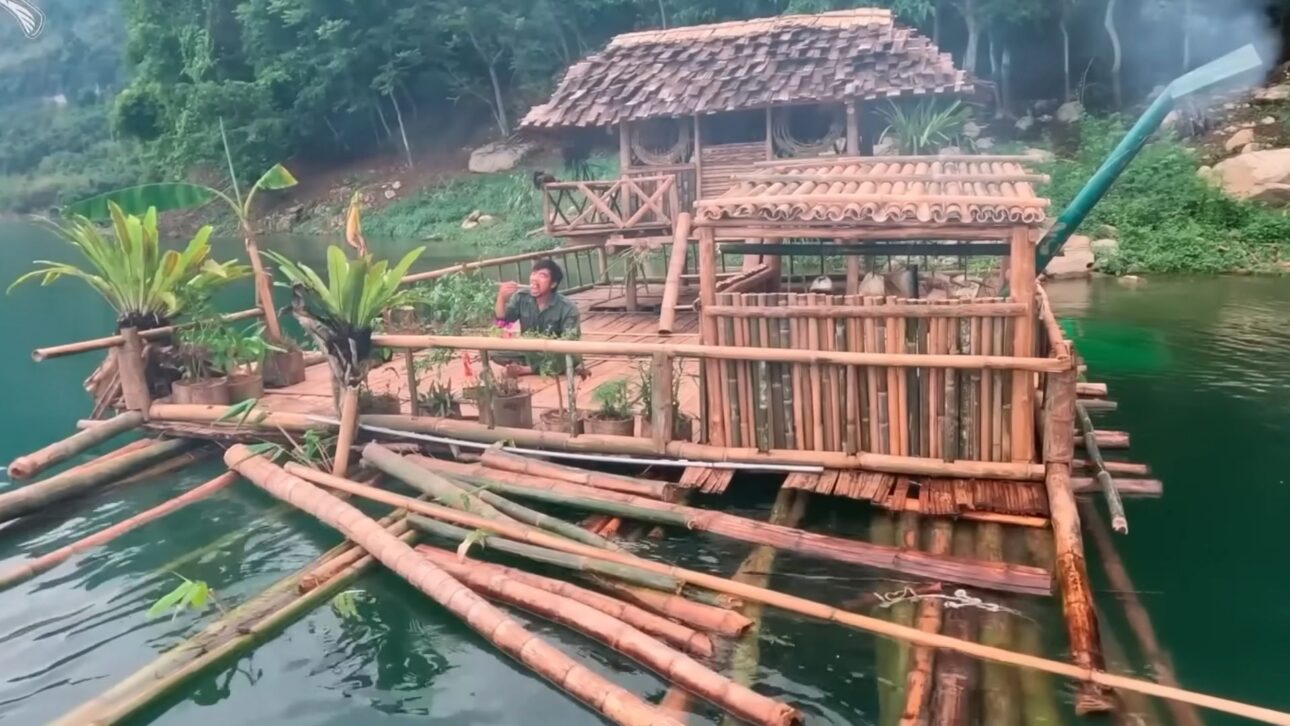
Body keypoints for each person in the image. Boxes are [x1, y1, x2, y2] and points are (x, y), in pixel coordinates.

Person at [493, 259, 582, 377]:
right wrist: (501, 297)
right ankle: (536, 366)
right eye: (534, 273)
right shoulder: (521, 298)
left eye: (542, 275)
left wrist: (552, 349)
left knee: (571, 356)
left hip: (553, 352)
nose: (534, 278)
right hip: (528, 350)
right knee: (494, 351)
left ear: (553, 284)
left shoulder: (568, 308)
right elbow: (502, 322)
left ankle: (526, 369)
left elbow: (570, 341)